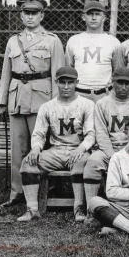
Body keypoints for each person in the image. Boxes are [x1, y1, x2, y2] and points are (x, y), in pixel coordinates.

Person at [0, 0, 64, 208]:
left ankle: (40, 191)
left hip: (41, 99)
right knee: (18, 148)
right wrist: (2, 102)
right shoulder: (12, 41)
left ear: (42, 15)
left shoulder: (52, 40)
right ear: (21, 15)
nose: (30, 17)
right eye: (26, 13)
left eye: (34, 13)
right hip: (17, 99)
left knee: (40, 148)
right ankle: (16, 192)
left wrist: (56, 105)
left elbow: (56, 74)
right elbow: (6, 74)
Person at [17, 67, 94, 223]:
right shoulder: (47, 107)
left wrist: (81, 148)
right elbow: (39, 133)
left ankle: (79, 208)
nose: (66, 87)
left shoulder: (86, 104)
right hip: (56, 150)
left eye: (70, 83)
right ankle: (32, 209)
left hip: (77, 149)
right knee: (28, 162)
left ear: (76, 83)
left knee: (81, 164)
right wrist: (36, 149)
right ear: (56, 83)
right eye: (62, 82)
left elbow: (91, 134)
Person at [83, 67, 129, 208]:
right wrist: (113, 155)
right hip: (110, 149)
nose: (123, 87)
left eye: (127, 83)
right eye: (119, 83)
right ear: (112, 82)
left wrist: (126, 155)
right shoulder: (102, 103)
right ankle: (91, 207)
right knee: (93, 161)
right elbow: (101, 133)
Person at [64, 0, 120, 102]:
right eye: (90, 14)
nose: (94, 18)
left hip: (105, 94)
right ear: (83, 17)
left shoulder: (113, 42)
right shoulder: (74, 40)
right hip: (79, 93)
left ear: (104, 18)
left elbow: (117, 70)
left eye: (97, 14)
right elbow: (69, 69)